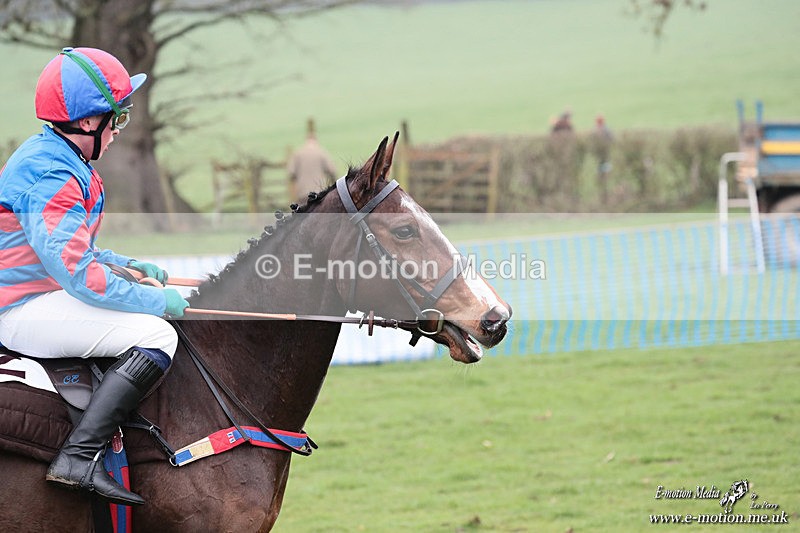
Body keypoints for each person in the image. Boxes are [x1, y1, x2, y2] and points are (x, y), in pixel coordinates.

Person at [0, 47, 190, 506]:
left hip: (37, 292)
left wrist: (126, 264)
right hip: (20, 308)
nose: (119, 129)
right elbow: (80, 277)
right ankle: (78, 458)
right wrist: (157, 302)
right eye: (116, 117)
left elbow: (72, 248)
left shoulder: (60, 157)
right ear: (88, 122)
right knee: (157, 335)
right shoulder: (51, 171)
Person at [286, 119, 337, 203]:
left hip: (302, 194)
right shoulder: (321, 152)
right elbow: (332, 171)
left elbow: (291, 174)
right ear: (316, 140)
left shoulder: (298, 153)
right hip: (318, 194)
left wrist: (293, 195)